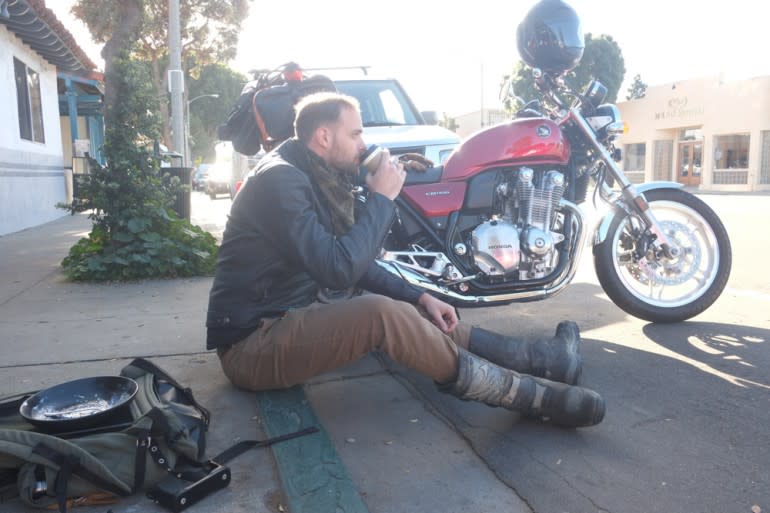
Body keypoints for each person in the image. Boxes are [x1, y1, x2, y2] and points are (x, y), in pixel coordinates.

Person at [206, 92, 605, 428]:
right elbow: (338, 267)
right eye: (356, 133)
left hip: (284, 320)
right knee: (378, 313)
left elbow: (351, 261)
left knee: (403, 307)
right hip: (251, 346)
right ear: (324, 136)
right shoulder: (282, 179)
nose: (365, 143)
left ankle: (539, 359)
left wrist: (419, 297)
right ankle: (526, 396)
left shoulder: (309, 174)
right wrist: (382, 198)